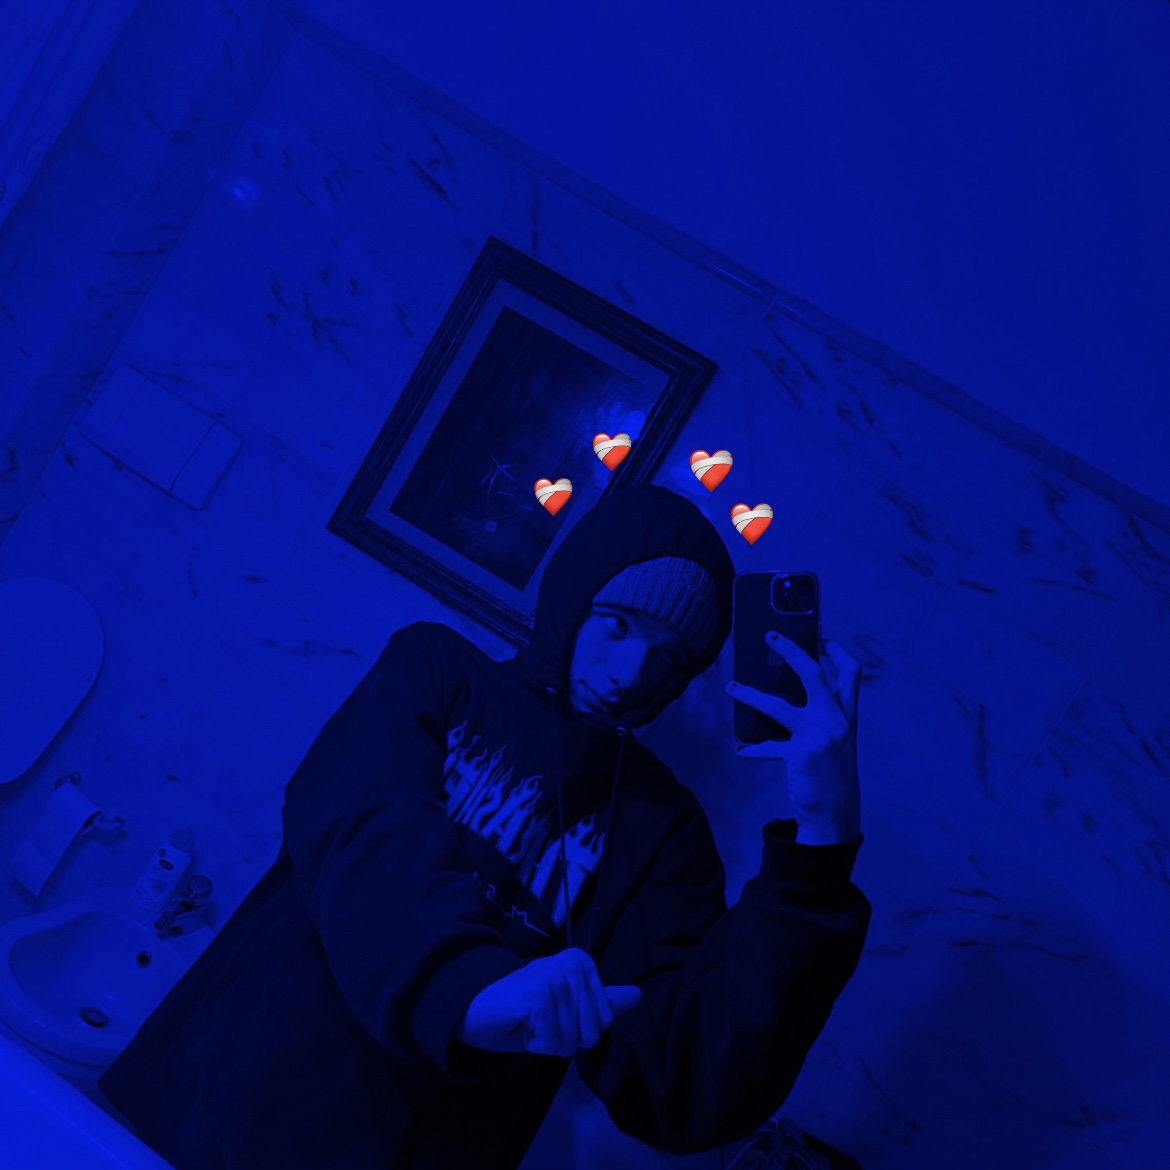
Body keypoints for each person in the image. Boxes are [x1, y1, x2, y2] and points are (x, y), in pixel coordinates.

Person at [98, 482, 871, 1169]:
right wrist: (469, 993)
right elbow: (368, 836)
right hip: (226, 1099)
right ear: (572, 597)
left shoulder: (662, 834)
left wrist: (821, 842)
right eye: (616, 624)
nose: (632, 675)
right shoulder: (435, 672)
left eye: (670, 658)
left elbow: (683, 1078)